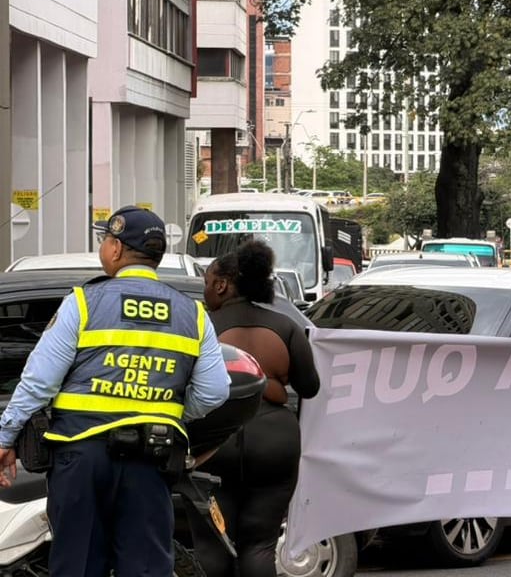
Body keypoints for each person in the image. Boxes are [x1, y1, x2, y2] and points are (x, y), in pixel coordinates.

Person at [0, 205, 230, 575]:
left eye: (105, 239)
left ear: (117, 249)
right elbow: (215, 391)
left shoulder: (83, 303)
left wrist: (6, 435)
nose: (103, 248)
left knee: (77, 564)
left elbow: (39, 381)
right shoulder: (193, 314)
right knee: (145, 568)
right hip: (151, 457)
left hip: (81, 456)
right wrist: (163, 409)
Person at [195, 241, 320, 577]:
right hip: (275, 442)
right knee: (260, 545)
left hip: (213, 443)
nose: (206, 290)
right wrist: (272, 384)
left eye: (207, 283)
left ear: (221, 285)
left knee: (212, 542)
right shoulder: (286, 326)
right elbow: (310, 387)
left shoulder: (200, 327)